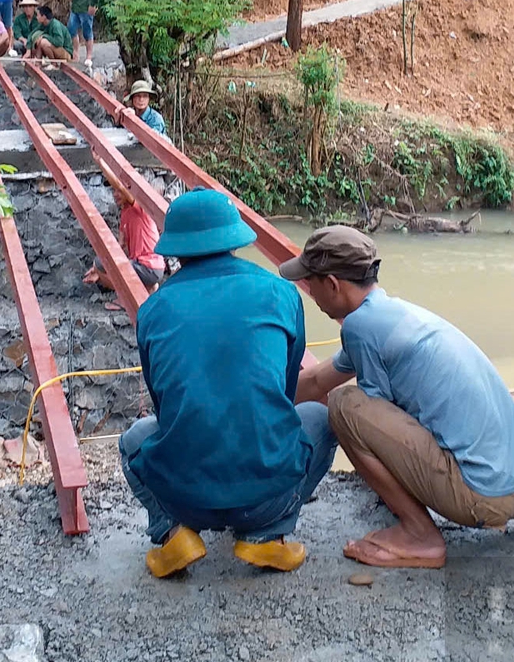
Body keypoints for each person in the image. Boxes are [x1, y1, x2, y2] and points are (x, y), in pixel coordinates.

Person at [285, 227, 514, 570]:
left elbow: (369, 417)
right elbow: (313, 380)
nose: (309, 293)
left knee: (343, 405)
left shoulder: (358, 327)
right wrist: (258, 405)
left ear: (332, 284)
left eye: (309, 284)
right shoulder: (395, 315)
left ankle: (419, 535)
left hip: (483, 498)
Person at [119, 190, 336, 578]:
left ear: (176, 249)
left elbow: (162, 406)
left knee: (134, 439)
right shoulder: (282, 293)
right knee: (320, 418)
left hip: (184, 498)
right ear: (235, 240)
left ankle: (173, 533)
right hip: (268, 495)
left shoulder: (152, 310)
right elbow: (284, 395)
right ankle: (269, 533)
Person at [84, 165, 167, 295]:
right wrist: (97, 270)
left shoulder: (139, 207)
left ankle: (134, 298)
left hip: (149, 267)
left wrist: (100, 162)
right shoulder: (125, 214)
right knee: (101, 262)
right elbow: (120, 246)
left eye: (118, 191)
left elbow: (122, 185)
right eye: (113, 191)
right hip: (143, 266)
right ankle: (147, 290)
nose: (115, 194)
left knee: (101, 263)